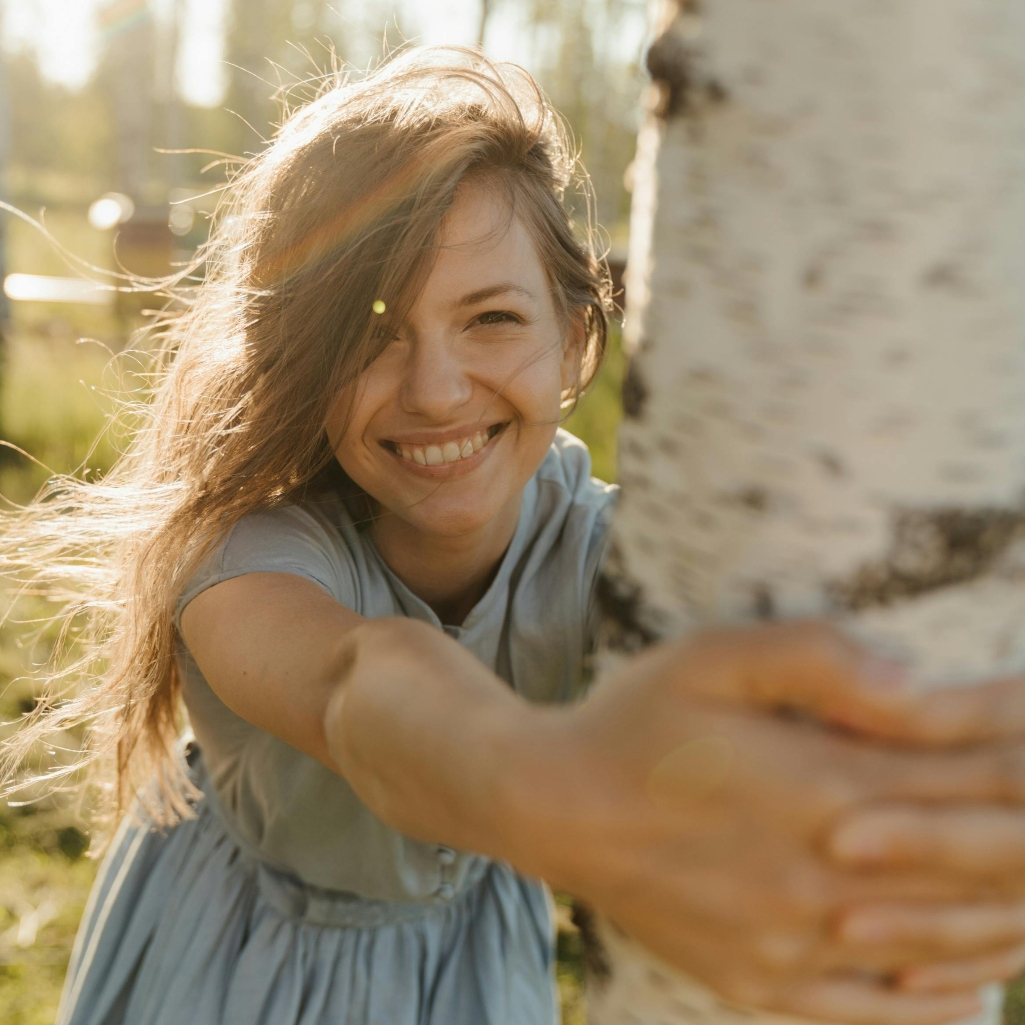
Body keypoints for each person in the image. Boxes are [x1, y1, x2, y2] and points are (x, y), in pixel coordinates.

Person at [6, 47, 1025, 1025]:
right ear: (299, 361)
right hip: (233, 964)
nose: (436, 390)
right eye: (368, 333)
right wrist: (580, 810)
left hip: (470, 964)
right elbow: (356, 679)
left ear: (573, 337)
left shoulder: (613, 552)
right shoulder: (244, 551)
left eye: (489, 317)